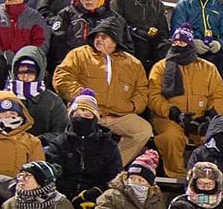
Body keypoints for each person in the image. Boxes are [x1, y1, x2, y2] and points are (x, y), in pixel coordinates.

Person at [53, 17, 152, 167]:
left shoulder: (133, 63)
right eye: (96, 36)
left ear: (115, 39)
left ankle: (112, 166)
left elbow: (142, 90)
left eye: (104, 37)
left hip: (118, 114)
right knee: (72, 124)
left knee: (143, 130)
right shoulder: (79, 54)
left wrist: (132, 106)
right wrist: (82, 96)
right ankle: (75, 166)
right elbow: (62, 78)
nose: (98, 40)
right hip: (85, 111)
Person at [146, 24, 223, 179]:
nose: (178, 45)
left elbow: (219, 95)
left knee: (211, 140)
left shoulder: (208, 68)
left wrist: (211, 116)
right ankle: (177, 175)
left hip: (200, 118)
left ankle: (206, 177)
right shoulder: (160, 67)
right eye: (175, 42)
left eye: (182, 43)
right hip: (170, 118)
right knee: (171, 137)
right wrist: (174, 113)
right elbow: (154, 96)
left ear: (189, 44)